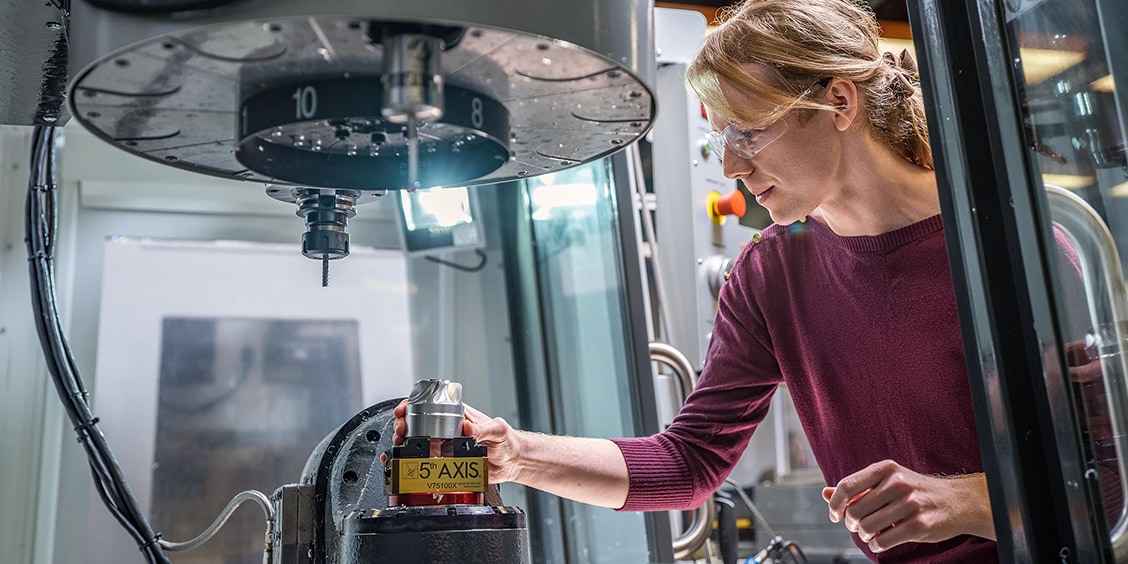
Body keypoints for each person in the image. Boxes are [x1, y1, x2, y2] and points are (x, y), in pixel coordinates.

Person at [396, 0, 1002, 561]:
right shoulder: (770, 273)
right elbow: (688, 464)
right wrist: (515, 454)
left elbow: (1097, 483)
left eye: (750, 131)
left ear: (839, 102)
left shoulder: (1013, 248)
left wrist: (966, 500)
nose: (733, 166)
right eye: (721, 140)